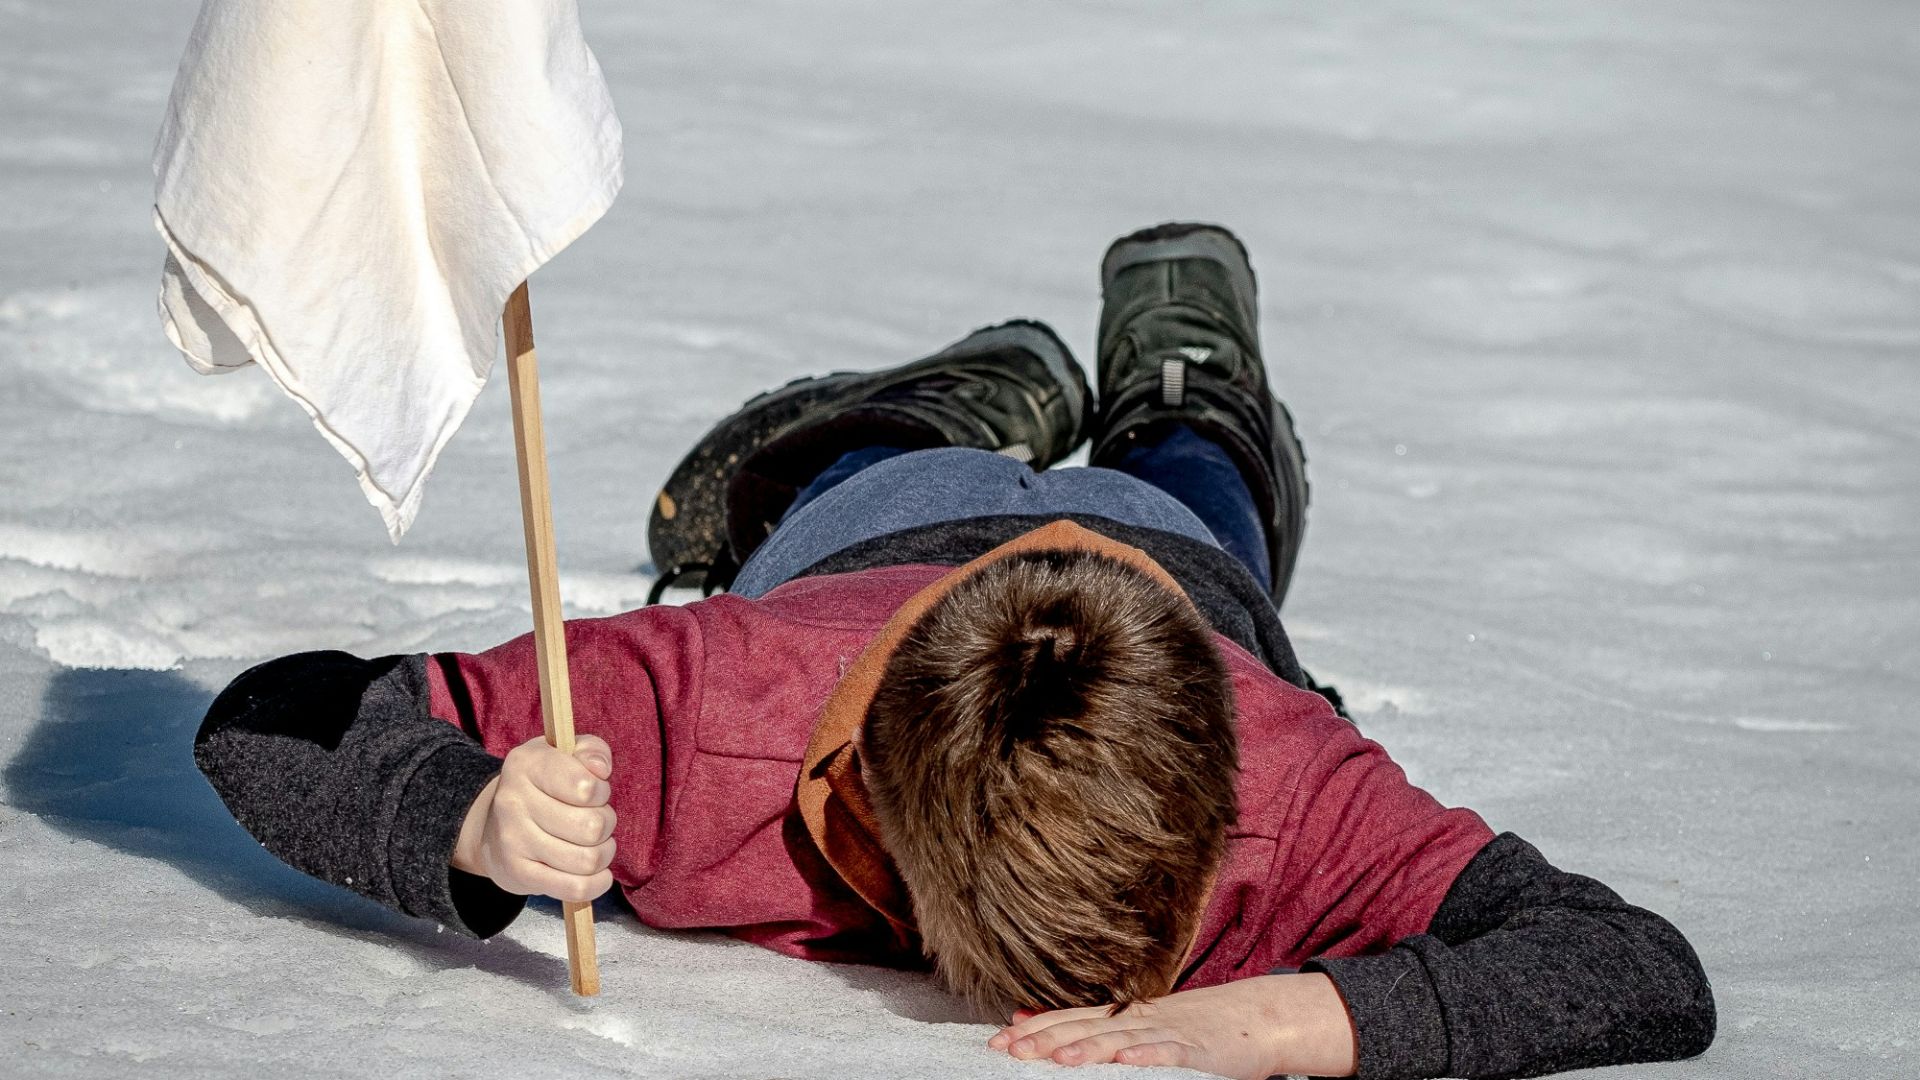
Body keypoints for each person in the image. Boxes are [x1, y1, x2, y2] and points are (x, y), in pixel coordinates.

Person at [194, 223, 1715, 1080]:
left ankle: (1190, 389)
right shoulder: (703, 712)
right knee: (852, 475)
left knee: (1191, 479)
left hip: (1164, 565)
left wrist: (1287, 1015)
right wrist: (466, 813)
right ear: (888, 828)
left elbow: (1638, 968)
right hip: (881, 536)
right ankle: (963, 402)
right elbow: (273, 716)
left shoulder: (1300, 790)